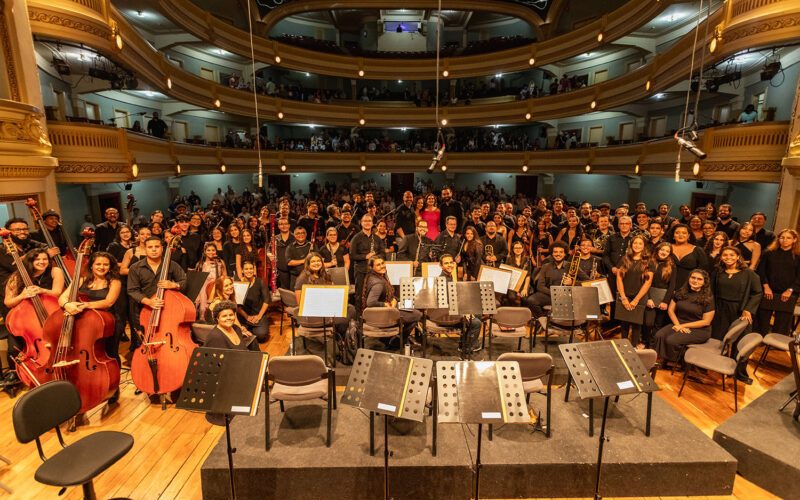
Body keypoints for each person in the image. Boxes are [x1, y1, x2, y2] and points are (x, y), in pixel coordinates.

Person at [58, 251, 122, 364]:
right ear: (91, 265)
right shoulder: (81, 280)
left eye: (105, 264)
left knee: (109, 353)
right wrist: (67, 305)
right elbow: (63, 297)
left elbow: (108, 302)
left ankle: (112, 377)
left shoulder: (114, 282)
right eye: (98, 264)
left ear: (110, 267)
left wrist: (85, 305)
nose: (102, 267)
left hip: (108, 322)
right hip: (84, 322)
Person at [712, 246, 762, 383]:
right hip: (720, 309)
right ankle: (718, 366)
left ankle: (738, 371)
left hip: (739, 310)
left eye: (732, 255)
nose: (728, 257)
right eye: (725, 255)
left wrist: (748, 309)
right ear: (721, 257)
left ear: (738, 256)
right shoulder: (717, 271)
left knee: (741, 341)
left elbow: (757, 292)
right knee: (718, 338)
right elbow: (711, 291)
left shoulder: (748, 273)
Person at [126, 237, 187, 349]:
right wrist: (148, 302)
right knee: (142, 341)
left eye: (157, 247)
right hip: (141, 309)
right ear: (145, 249)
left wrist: (174, 285)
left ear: (162, 248)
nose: (154, 249)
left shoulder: (171, 264)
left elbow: (184, 281)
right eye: (150, 247)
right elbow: (132, 290)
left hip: (165, 308)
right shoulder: (135, 268)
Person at [653, 269, 715, 363]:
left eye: (699, 279)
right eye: (693, 277)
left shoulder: (708, 298)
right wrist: (678, 324)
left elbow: (706, 321)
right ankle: (659, 359)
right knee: (659, 335)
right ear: (689, 278)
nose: (695, 281)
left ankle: (673, 362)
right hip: (679, 322)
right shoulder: (680, 292)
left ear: (704, 282)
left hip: (699, 329)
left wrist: (682, 326)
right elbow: (670, 310)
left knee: (672, 340)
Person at [294, 252, 354, 339]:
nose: (316, 263)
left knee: (350, 308)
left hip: (327, 307)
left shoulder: (324, 275)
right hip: (314, 312)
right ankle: (338, 339)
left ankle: (339, 338)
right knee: (344, 318)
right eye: (313, 261)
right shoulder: (303, 278)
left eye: (318, 261)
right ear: (308, 264)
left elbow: (332, 293)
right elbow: (300, 303)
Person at [362, 256, 421, 344]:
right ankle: (398, 339)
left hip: (390, 306)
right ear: (372, 268)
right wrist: (385, 304)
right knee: (417, 314)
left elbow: (388, 296)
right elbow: (370, 302)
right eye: (378, 265)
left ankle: (395, 338)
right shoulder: (378, 284)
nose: (382, 266)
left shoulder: (375, 276)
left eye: (382, 263)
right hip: (384, 313)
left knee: (413, 305)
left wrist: (396, 300)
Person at [755, 229, 800, 336]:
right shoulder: (768, 253)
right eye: (782, 237)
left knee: (783, 319)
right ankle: (758, 339)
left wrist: (790, 290)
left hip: (789, 292)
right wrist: (766, 287)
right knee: (762, 316)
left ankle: (776, 343)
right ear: (778, 239)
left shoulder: (798, 256)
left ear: (794, 240)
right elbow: (761, 271)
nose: (785, 240)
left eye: (788, 238)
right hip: (768, 289)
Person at [438, 253, 483, 355]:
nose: (449, 265)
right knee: (476, 323)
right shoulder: (443, 280)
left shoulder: (449, 277)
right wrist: (464, 313)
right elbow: (448, 304)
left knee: (478, 312)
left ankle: (465, 343)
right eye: (446, 263)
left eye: (451, 262)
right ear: (441, 265)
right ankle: (466, 348)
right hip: (446, 314)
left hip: (452, 310)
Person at [616, 235, 655, 347]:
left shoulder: (649, 261)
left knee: (636, 324)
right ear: (631, 245)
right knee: (624, 323)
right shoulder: (624, 259)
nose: (637, 246)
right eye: (635, 243)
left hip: (640, 297)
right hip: (625, 295)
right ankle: (622, 347)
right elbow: (619, 279)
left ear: (644, 246)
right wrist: (623, 298)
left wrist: (636, 300)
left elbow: (648, 282)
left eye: (640, 243)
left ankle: (633, 347)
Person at [524, 241, 572, 319]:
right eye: (555, 252)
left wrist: (573, 282)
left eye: (561, 252)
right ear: (552, 254)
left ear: (565, 254)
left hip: (566, 295)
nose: (558, 254)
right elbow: (540, 286)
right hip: (550, 295)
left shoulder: (571, 266)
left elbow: (586, 281)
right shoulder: (546, 266)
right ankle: (543, 320)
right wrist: (555, 293)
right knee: (531, 300)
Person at [645, 242, 677, 347]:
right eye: (662, 250)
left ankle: (652, 345)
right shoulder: (650, 263)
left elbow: (672, 286)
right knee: (648, 323)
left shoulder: (672, 266)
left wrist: (665, 301)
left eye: (667, 251)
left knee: (658, 324)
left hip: (663, 298)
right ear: (658, 250)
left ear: (670, 254)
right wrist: (648, 298)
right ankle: (645, 341)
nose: (664, 252)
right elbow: (645, 283)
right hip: (649, 296)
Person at [350, 214, 384, 308]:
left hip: (374, 271)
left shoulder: (377, 238)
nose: (367, 223)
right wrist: (365, 256)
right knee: (360, 294)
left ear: (372, 223)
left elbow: (383, 253)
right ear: (361, 223)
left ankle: (372, 315)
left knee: (374, 294)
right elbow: (352, 255)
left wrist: (375, 258)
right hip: (361, 270)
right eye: (365, 221)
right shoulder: (356, 238)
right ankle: (359, 317)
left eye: (369, 221)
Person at [237, 261, 270, 342]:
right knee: (238, 335)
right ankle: (249, 330)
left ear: (254, 270)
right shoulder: (238, 284)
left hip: (258, 314)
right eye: (246, 269)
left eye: (251, 268)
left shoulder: (260, 282)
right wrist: (246, 316)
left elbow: (267, 300)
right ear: (242, 271)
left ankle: (251, 331)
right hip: (243, 316)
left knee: (261, 336)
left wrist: (259, 316)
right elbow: (236, 304)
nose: (249, 271)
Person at [194, 242, 227, 321]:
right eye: (208, 250)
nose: (211, 252)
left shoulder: (220, 263)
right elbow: (197, 281)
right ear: (205, 252)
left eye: (213, 250)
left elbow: (225, 276)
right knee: (203, 309)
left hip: (216, 288)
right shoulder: (200, 264)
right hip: (203, 289)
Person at [670, 224, 708, 290]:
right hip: (666, 288)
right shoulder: (666, 248)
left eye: (684, 233)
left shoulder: (698, 250)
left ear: (688, 235)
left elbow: (704, 272)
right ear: (673, 235)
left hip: (690, 289)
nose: (680, 235)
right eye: (677, 233)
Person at [504, 240, 533, 306]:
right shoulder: (509, 259)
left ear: (522, 249)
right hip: (512, 284)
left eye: (520, 248)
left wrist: (525, 288)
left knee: (524, 298)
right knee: (512, 297)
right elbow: (507, 274)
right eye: (516, 248)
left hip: (523, 284)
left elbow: (528, 276)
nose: (518, 250)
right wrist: (515, 289)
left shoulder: (527, 260)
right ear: (513, 249)